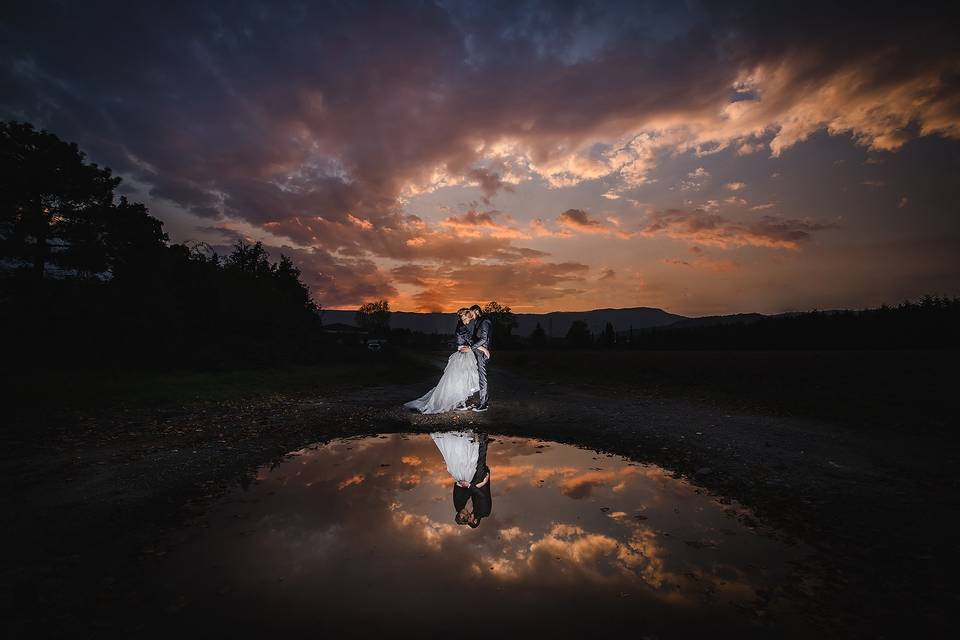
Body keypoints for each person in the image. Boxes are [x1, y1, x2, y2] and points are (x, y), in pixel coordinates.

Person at [403, 308, 480, 414]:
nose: (470, 320)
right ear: (464, 317)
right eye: (468, 318)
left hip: (465, 353)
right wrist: (482, 348)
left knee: (462, 379)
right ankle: (458, 403)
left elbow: (469, 341)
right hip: (463, 355)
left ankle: (461, 402)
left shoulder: (461, 325)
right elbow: (471, 341)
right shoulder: (462, 327)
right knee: (459, 379)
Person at [430, 430, 492, 528]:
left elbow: (464, 492)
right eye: (469, 518)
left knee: (476, 461)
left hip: (471, 481)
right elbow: (482, 496)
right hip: (478, 482)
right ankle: (482, 438)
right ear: (475, 521)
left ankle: (480, 439)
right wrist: (481, 483)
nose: (468, 515)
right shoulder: (483, 512)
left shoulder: (463, 506)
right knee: (478, 461)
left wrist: (471, 485)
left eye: (466, 516)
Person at [455, 304, 492, 412]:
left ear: (476, 311)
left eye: (471, 313)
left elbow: (484, 338)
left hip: (480, 352)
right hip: (476, 350)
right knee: (469, 376)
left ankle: (483, 403)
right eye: (468, 315)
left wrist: (482, 349)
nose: (470, 316)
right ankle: (465, 402)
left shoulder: (484, 321)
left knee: (481, 377)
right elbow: (472, 338)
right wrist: (472, 348)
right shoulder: (475, 322)